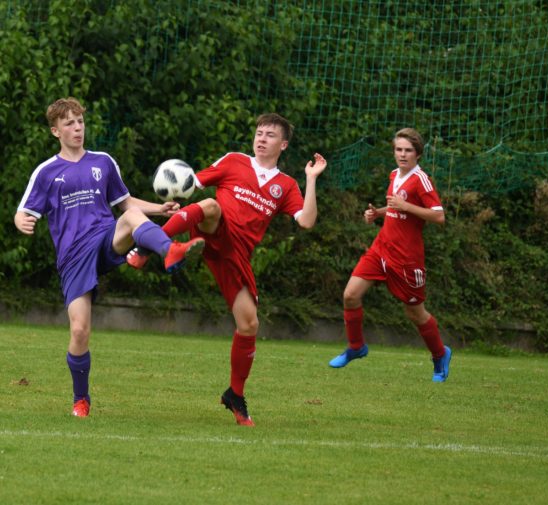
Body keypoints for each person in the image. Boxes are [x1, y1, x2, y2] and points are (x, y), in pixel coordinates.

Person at [127, 113, 327, 426]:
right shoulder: (234, 161)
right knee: (210, 206)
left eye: (270, 135)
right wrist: (175, 198)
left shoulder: (286, 186)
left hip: (236, 255)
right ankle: (150, 246)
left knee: (249, 325)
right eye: (259, 132)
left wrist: (312, 178)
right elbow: (193, 184)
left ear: (284, 144)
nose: (261, 138)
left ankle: (235, 394)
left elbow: (307, 221)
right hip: (215, 230)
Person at [14, 97, 205, 418]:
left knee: (130, 219)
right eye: (69, 123)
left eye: (80, 122)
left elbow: (126, 202)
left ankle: (169, 250)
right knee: (79, 331)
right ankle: (81, 400)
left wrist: (160, 209)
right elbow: (23, 211)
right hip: (73, 257)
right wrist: (22, 221)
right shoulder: (46, 172)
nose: (77, 128)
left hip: (104, 237)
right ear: (55, 131)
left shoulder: (103, 162)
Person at [327, 128, 452, 382]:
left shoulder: (422, 180)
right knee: (350, 295)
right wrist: (379, 213)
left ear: (418, 154)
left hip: (407, 258)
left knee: (415, 313)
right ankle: (355, 347)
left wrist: (406, 205)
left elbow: (439, 216)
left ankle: (440, 354)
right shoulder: (394, 174)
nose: (402, 155)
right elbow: (397, 210)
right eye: (399, 149)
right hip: (381, 248)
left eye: (408, 150)